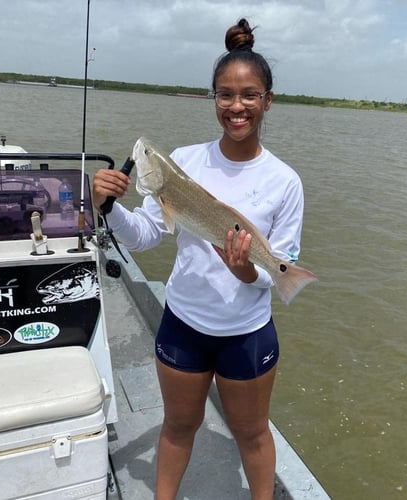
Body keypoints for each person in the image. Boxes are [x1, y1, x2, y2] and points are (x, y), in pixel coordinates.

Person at [93, 18, 306, 500]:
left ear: (267, 101)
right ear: (213, 99)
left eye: (249, 95)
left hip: (247, 334)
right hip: (184, 323)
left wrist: (249, 270)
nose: (236, 107)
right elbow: (148, 234)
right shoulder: (183, 163)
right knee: (177, 427)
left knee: (253, 434)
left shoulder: (284, 181)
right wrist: (108, 209)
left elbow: (283, 266)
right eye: (225, 95)